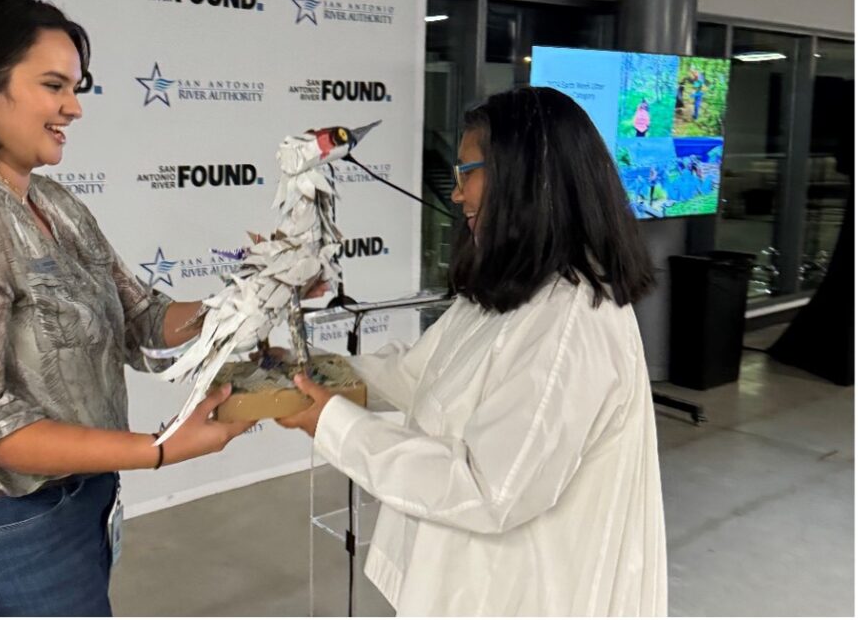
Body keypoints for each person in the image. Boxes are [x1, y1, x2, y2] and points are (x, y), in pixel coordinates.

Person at [0, 0, 255, 616]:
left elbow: (144, 320)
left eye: (76, 87)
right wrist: (159, 448)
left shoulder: (55, 205)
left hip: (71, 509)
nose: (74, 107)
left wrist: (251, 297)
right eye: (54, 85)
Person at [279, 87, 667, 616]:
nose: (456, 194)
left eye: (468, 173)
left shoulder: (571, 324)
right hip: (468, 583)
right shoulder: (517, 286)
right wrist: (316, 372)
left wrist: (333, 424)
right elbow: (422, 377)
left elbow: (488, 489)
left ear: (525, 176)